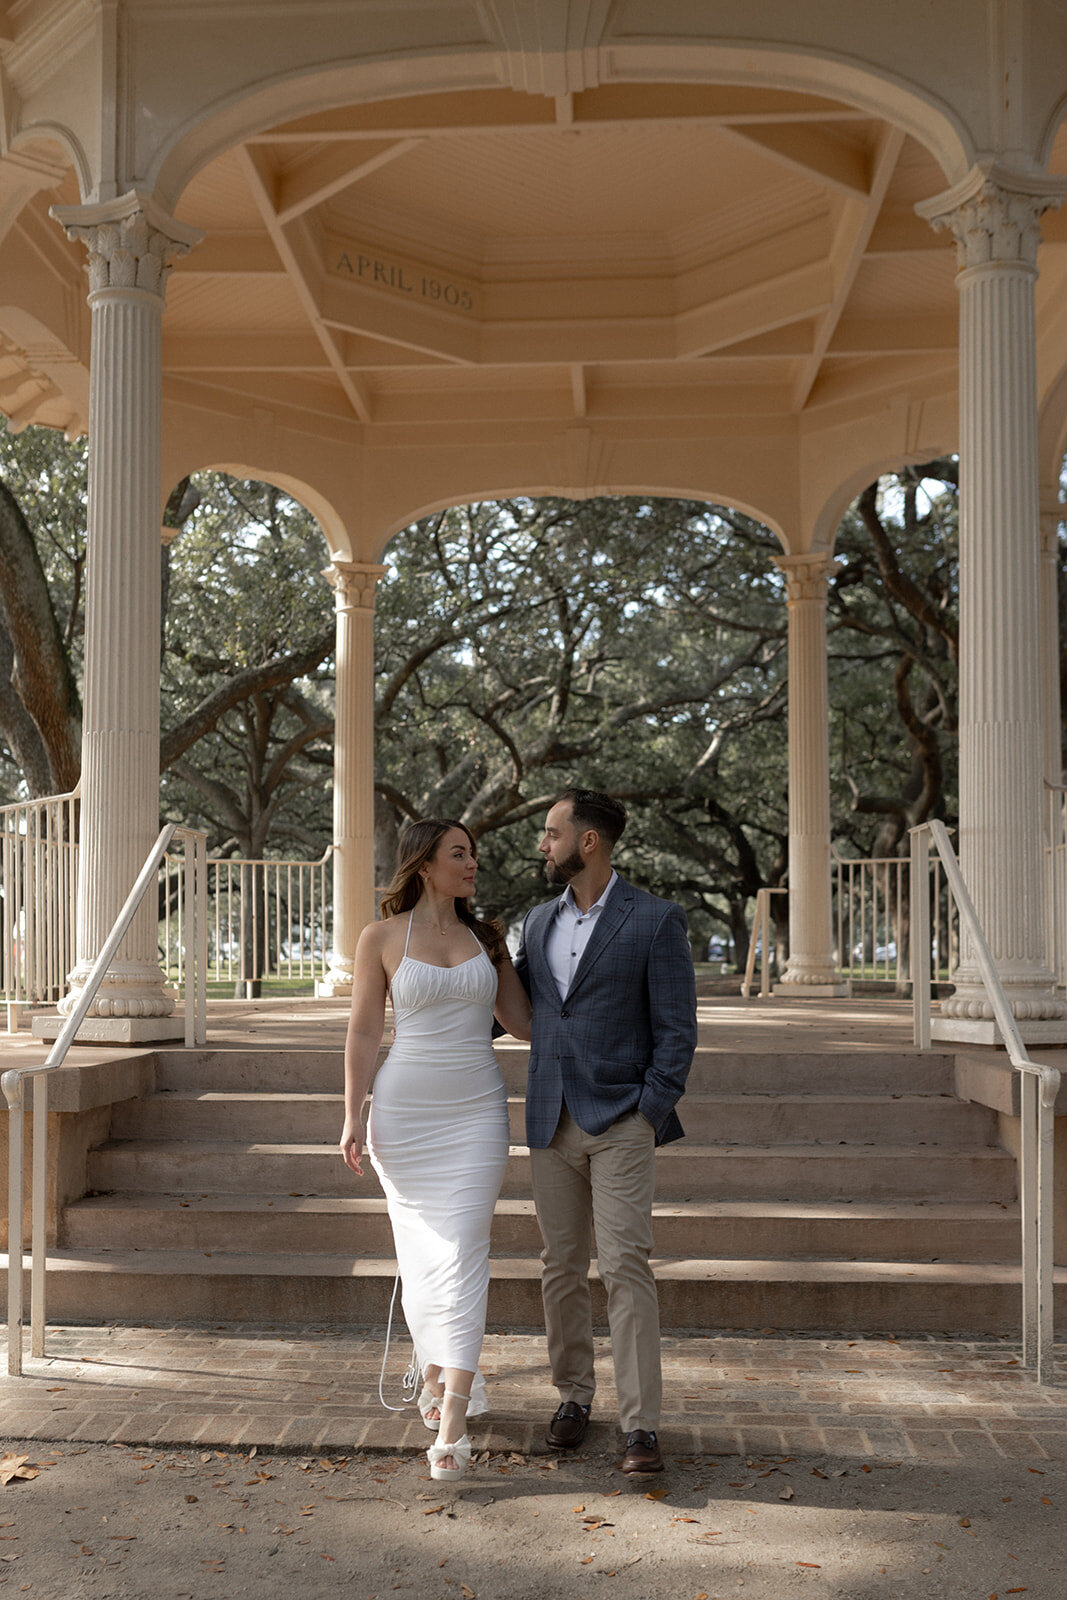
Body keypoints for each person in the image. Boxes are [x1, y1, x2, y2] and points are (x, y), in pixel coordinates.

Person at [339, 818, 531, 1482]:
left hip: (477, 1112)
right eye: (459, 853)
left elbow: (522, 1022)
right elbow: (364, 1031)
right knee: (422, 1262)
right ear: (423, 864)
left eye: (473, 853)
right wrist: (352, 1112)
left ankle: (452, 1417)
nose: (472, 862)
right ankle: (438, 1373)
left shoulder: (487, 938)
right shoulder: (382, 937)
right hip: (405, 1116)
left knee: (464, 1249)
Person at [514, 788, 697, 1475]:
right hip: (547, 1120)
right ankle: (571, 1398)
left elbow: (677, 1033)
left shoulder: (654, 920)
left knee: (624, 1266)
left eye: (551, 832)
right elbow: (515, 1009)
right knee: (559, 1267)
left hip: (621, 1119)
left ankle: (639, 1425)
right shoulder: (534, 924)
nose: (543, 844)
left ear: (587, 841)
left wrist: (646, 1110)